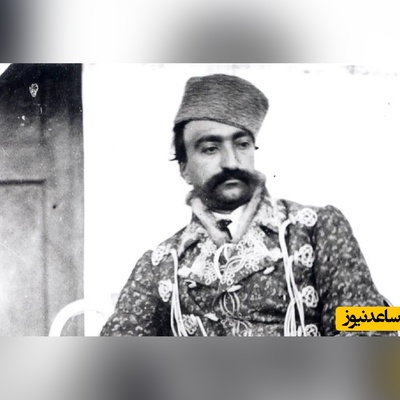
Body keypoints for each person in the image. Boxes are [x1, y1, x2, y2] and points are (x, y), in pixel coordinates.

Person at [101, 73, 394, 337]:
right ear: (184, 168)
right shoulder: (161, 264)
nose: (231, 161)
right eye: (210, 148)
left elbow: (373, 328)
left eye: (242, 144)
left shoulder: (316, 227)